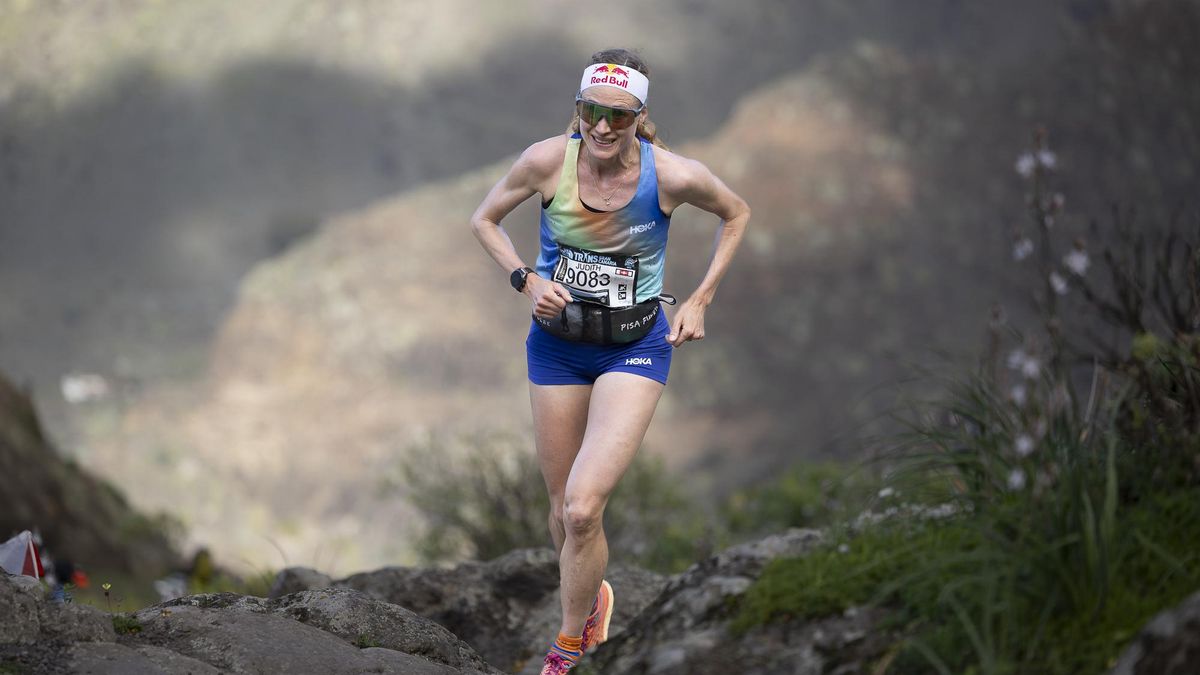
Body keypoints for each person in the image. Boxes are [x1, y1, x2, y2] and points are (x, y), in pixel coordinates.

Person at [469, 47, 750, 674]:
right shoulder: (547, 162)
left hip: (634, 346)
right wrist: (524, 280)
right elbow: (485, 220)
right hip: (557, 347)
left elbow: (737, 214)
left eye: (619, 117)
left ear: (640, 117)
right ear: (578, 108)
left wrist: (700, 300)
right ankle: (591, 602)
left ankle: (569, 645)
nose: (602, 127)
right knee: (559, 511)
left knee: (583, 506)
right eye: (592, 111)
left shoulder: (672, 176)